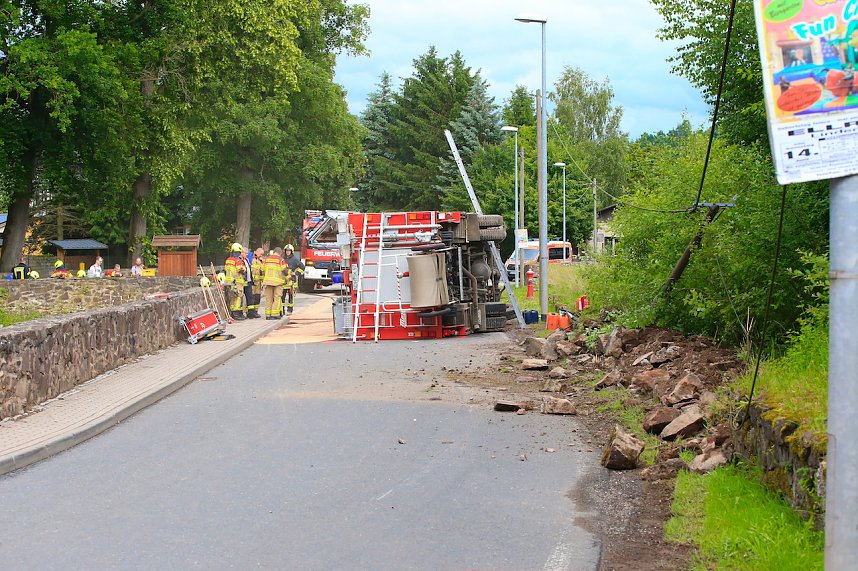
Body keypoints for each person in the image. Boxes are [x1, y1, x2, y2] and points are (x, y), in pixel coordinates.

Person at [261, 247, 288, 320]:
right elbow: (285, 271)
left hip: (268, 282)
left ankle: (268, 315)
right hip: (277, 282)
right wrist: (288, 278)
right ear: (280, 253)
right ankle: (274, 314)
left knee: (268, 298)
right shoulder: (281, 260)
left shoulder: (267, 259)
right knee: (277, 298)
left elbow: (262, 269)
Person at [224, 242, 247, 320]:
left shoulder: (228, 260)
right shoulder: (237, 260)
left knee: (232, 298)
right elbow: (241, 270)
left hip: (228, 282)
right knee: (238, 297)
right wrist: (244, 268)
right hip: (236, 282)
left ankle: (233, 313)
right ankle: (237, 314)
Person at [282, 244, 305, 315]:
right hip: (283, 281)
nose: (287, 252)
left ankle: (290, 310)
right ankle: (282, 310)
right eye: (286, 250)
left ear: (292, 251)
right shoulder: (282, 258)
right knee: (282, 296)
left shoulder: (295, 259)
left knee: (291, 297)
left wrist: (296, 273)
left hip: (291, 281)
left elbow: (302, 267)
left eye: (289, 251)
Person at [250, 247, 266, 318]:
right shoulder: (251, 258)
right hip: (252, 282)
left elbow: (262, 271)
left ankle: (255, 311)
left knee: (257, 297)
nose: (261, 255)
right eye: (261, 254)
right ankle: (251, 312)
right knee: (252, 297)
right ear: (257, 252)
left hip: (258, 283)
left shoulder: (260, 261)